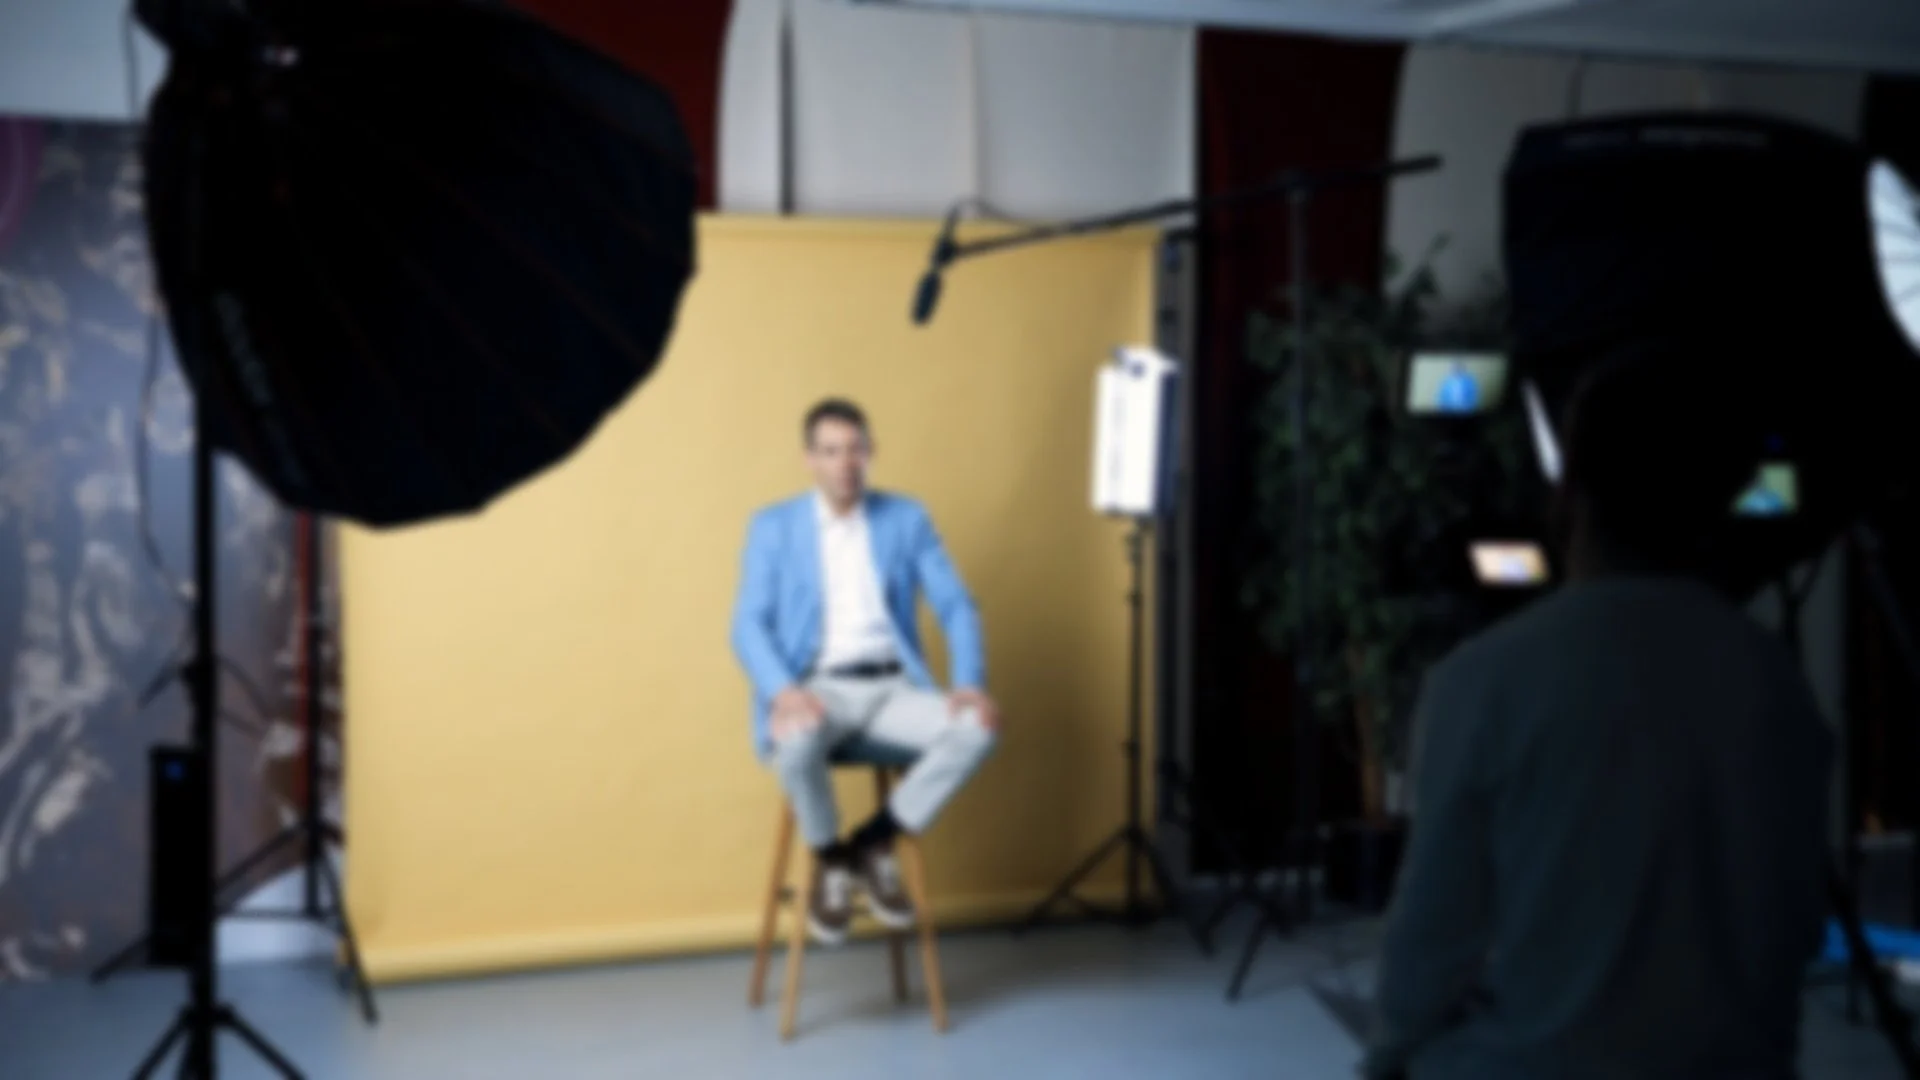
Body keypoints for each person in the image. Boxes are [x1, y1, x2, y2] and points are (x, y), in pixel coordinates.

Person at [1362, 351, 1834, 1079]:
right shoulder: (1776, 682)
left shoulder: (1481, 681)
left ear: (1569, 493)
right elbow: (1795, 926)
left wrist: (1389, 1060)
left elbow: (1427, 949)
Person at [731, 398, 1000, 947]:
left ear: (871, 452)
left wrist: (969, 681)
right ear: (809, 459)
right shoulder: (774, 526)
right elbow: (746, 624)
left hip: (894, 688)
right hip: (819, 688)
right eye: (831, 452)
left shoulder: (907, 518)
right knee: (795, 743)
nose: (844, 463)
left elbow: (956, 605)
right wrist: (784, 692)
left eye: (855, 449)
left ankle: (875, 842)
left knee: (978, 729)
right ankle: (830, 858)